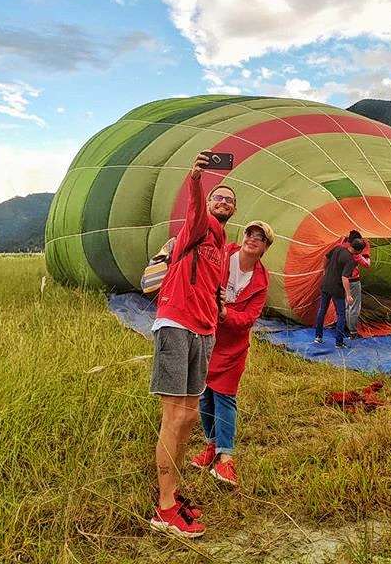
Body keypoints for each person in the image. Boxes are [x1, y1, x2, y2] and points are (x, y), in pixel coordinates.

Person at [149, 153, 236, 539]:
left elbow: (215, 287)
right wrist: (197, 178)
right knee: (174, 417)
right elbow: (197, 206)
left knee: (186, 418)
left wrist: (219, 310)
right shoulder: (197, 229)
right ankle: (165, 509)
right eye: (220, 197)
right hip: (177, 325)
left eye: (230, 200)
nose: (224, 202)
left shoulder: (222, 247)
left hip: (203, 332)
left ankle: (174, 492)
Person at [191, 220, 273, 488]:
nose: (253, 239)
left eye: (260, 238)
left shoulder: (261, 280)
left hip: (233, 347)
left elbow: (250, 317)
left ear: (265, 247)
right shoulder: (223, 254)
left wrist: (226, 313)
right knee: (205, 398)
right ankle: (211, 445)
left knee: (225, 398)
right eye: (250, 233)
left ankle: (226, 459)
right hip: (207, 337)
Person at [314, 236, 366, 348]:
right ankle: (339, 342)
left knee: (322, 310)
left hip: (325, 284)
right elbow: (344, 277)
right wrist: (348, 294)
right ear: (359, 251)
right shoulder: (351, 260)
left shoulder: (338, 248)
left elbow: (326, 257)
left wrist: (324, 270)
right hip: (337, 288)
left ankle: (318, 337)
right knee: (341, 314)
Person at [342, 230, 371, 339]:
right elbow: (367, 264)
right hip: (353, 282)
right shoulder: (356, 255)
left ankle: (346, 326)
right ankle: (353, 332)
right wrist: (367, 251)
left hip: (342, 281)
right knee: (354, 307)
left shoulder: (342, 248)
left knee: (347, 306)